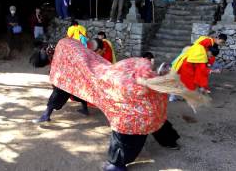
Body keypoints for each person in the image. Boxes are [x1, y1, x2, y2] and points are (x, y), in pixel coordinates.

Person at [47, 38, 210, 171]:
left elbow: (106, 74)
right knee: (157, 120)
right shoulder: (139, 66)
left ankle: (117, 165)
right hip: (149, 105)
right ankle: (170, 142)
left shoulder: (130, 77)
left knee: (127, 133)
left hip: (132, 109)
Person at [32, 38, 105, 123]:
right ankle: (84, 109)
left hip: (69, 75)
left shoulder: (72, 47)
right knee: (77, 92)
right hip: (70, 72)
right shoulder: (71, 47)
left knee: (58, 93)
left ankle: (46, 115)